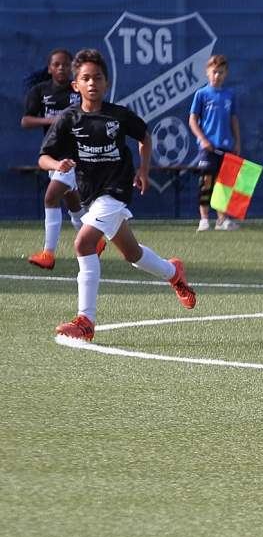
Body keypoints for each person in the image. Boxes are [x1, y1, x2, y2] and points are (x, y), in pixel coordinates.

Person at [38, 49, 196, 341]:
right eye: (86, 78)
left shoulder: (118, 115)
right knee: (132, 254)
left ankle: (85, 320)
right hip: (91, 194)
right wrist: (56, 164)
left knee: (84, 242)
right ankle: (173, 272)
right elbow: (44, 157)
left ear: (107, 83)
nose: (92, 83)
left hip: (116, 189)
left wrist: (144, 171)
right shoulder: (69, 119)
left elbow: (144, 138)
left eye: (98, 78)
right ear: (75, 85)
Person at [21, 47, 105, 268]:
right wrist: (50, 120)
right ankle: (95, 242)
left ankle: (48, 253)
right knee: (73, 204)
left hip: (75, 155)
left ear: (72, 68)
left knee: (51, 197)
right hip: (54, 155)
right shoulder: (41, 91)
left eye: (66, 64)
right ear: (49, 68)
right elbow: (26, 121)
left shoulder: (78, 89)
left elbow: (92, 112)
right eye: (56, 65)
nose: (61, 68)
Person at [189, 54, 241, 231]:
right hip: (208, 147)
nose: (217, 75)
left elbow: (233, 119)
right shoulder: (201, 94)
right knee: (206, 180)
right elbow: (192, 120)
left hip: (225, 145)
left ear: (226, 73)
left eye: (221, 72)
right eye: (214, 72)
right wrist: (203, 140)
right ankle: (204, 219)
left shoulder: (230, 94)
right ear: (207, 72)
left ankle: (222, 220)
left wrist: (237, 141)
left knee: (224, 183)